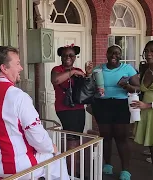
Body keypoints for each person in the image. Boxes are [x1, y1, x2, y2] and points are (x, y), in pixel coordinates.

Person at [0, 46, 69, 180]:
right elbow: (37, 136)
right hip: (19, 169)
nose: (21, 68)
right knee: (58, 158)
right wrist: (52, 148)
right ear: (4, 68)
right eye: (17, 64)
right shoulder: (18, 96)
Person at [90, 45, 140, 180]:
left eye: (117, 53)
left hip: (121, 105)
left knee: (121, 137)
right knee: (105, 136)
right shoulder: (98, 69)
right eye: (111, 53)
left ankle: (125, 170)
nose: (114, 55)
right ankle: (108, 165)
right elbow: (90, 87)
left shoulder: (127, 69)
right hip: (102, 104)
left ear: (121, 55)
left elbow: (138, 88)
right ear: (106, 54)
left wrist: (127, 86)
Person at [51, 44, 93, 177]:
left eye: (71, 55)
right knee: (72, 140)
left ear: (75, 57)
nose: (68, 58)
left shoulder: (78, 69)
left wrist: (88, 74)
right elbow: (56, 80)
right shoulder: (57, 69)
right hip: (65, 109)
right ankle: (70, 172)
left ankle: (74, 170)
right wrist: (73, 72)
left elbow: (85, 88)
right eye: (65, 55)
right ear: (61, 57)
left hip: (79, 108)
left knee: (77, 139)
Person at [131, 39, 153, 179]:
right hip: (147, 115)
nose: (148, 54)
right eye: (146, 51)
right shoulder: (145, 69)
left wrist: (148, 105)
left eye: (152, 50)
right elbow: (140, 89)